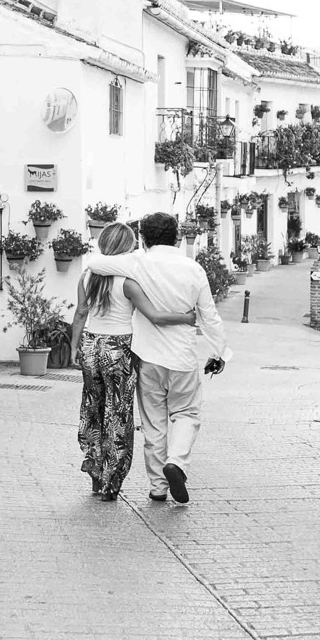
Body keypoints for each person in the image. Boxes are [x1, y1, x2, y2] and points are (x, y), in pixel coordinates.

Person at [82, 212, 228, 504]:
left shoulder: (137, 262)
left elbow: (93, 263)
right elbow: (209, 316)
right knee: (187, 414)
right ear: (176, 237)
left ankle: (158, 487)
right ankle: (176, 461)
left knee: (154, 423)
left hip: (147, 357)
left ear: (144, 238)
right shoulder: (194, 268)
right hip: (183, 357)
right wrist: (219, 352)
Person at [68, 222, 197, 501]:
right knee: (118, 416)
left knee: (93, 411)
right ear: (126, 248)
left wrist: (73, 347)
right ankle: (110, 486)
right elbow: (156, 317)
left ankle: (94, 476)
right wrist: (187, 318)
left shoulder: (87, 276)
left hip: (91, 346)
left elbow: (80, 313)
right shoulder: (127, 282)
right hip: (119, 350)